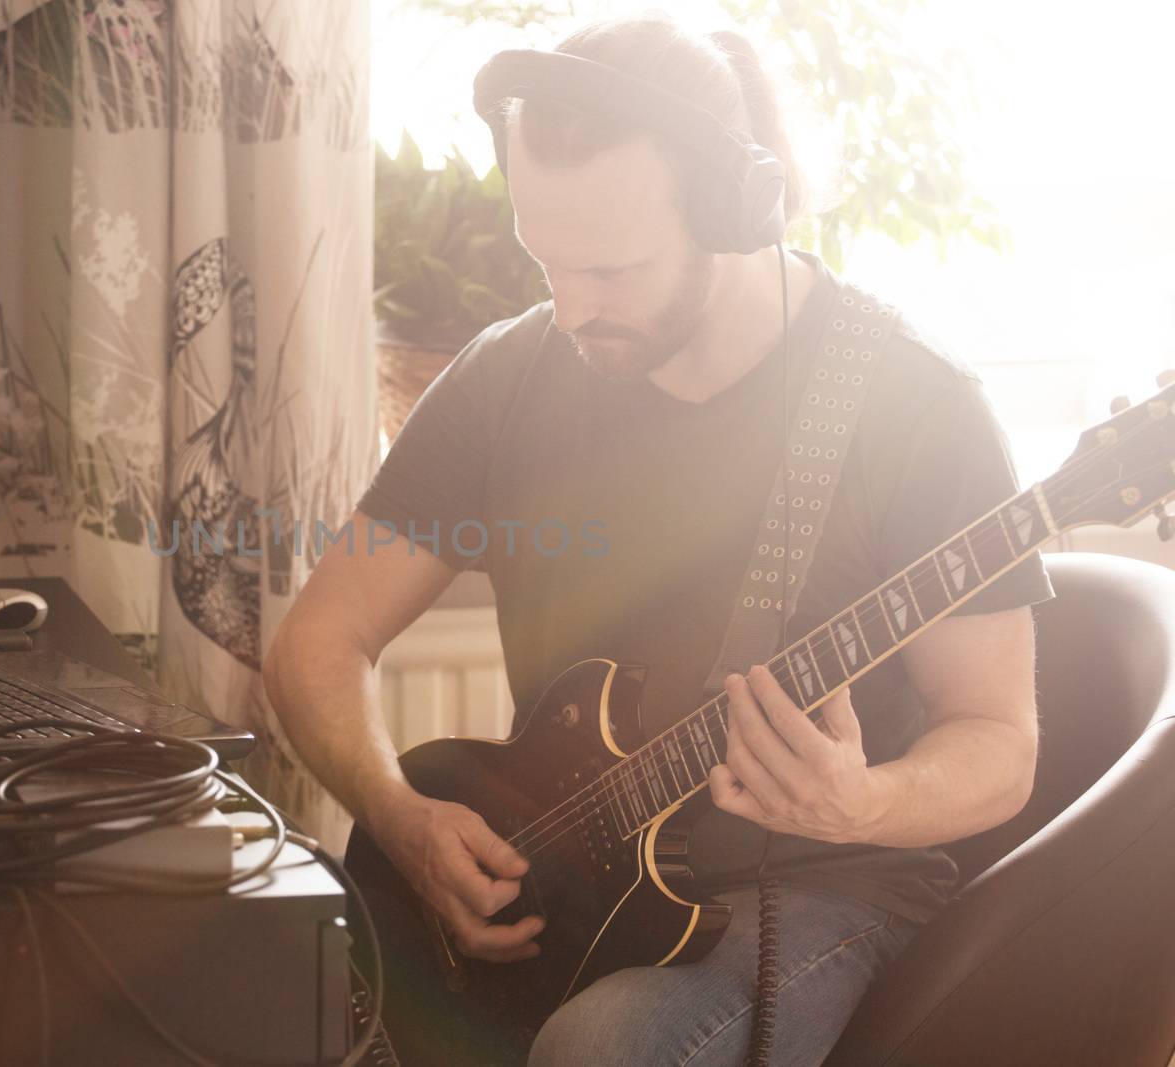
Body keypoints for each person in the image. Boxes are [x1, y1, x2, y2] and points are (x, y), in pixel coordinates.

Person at [262, 14, 1052, 1066]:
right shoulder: (508, 375)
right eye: (545, 260)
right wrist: (401, 819)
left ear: (731, 216)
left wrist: (864, 800)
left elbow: (999, 738)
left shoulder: (910, 405)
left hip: (818, 883)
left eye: (612, 269)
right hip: (570, 870)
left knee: (605, 1045)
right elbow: (317, 641)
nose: (569, 306)